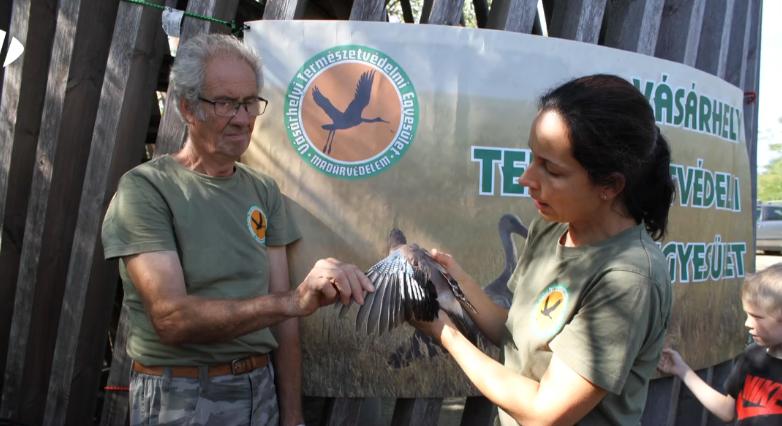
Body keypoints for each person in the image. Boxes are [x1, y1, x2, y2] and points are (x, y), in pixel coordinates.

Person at [101, 34, 373, 426]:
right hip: (181, 394)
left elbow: (285, 320)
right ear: (187, 108)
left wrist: (293, 416)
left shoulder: (262, 190)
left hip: (258, 389)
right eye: (226, 102)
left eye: (249, 102)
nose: (243, 118)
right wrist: (291, 302)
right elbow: (172, 319)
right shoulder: (146, 190)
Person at [412, 74, 675, 425]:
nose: (526, 178)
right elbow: (516, 334)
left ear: (610, 185)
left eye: (550, 169)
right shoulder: (552, 228)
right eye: (533, 158)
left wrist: (443, 332)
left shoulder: (627, 279)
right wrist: (452, 277)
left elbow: (544, 412)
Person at [658, 263, 782, 425]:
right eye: (747, 314)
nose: (747, 323)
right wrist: (682, 369)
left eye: (757, 317)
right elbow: (727, 411)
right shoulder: (751, 358)